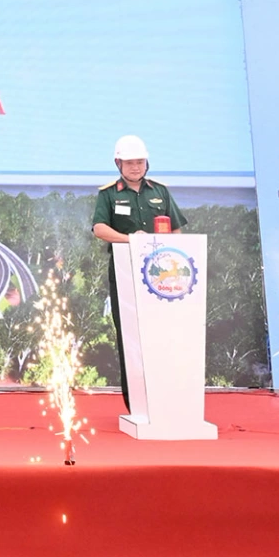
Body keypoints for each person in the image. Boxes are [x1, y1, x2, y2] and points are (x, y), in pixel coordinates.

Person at [90, 135, 187, 411]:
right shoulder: (109, 194)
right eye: (130, 162)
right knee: (130, 336)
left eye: (140, 162)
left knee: (163, 333)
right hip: (125, 272)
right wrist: (132, 240)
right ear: (118, 163)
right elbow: (99, 228)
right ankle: (136, 403)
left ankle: (168, 398)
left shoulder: (160, 191)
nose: (135, 167)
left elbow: (177, 229)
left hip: (162, 276)